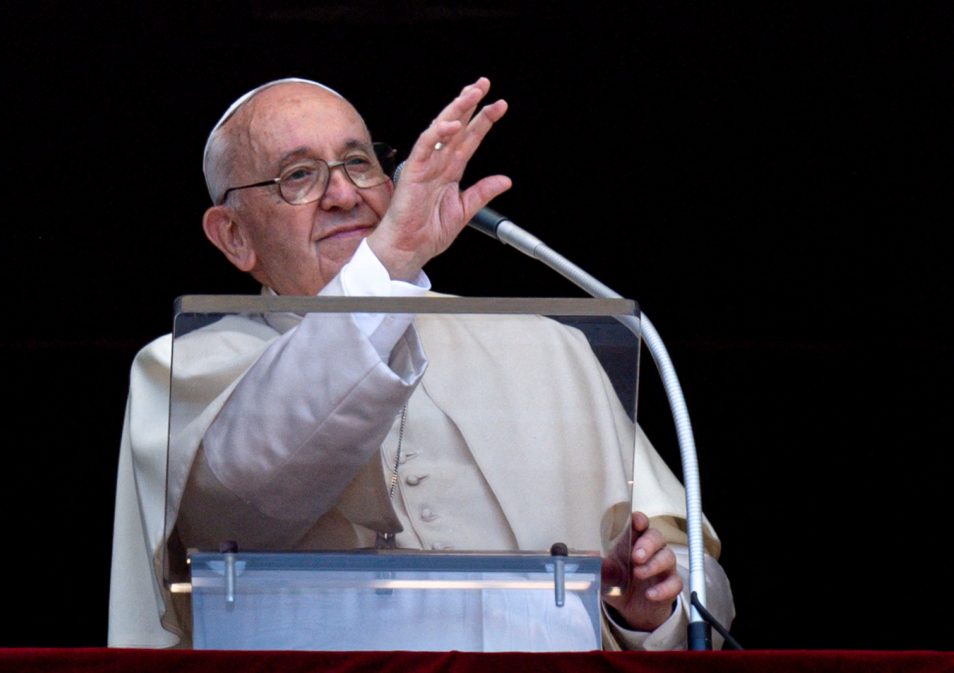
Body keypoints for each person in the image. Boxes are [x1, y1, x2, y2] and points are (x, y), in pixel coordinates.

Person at [108, 76, 734, 650]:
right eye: (297, 176)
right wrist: (388, 261)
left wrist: (652, 603)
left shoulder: (549, 348)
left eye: (359, 162)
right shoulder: (180, 370)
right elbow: (250, 490)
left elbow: (695, 573)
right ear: (233, 236)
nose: (344, 194)